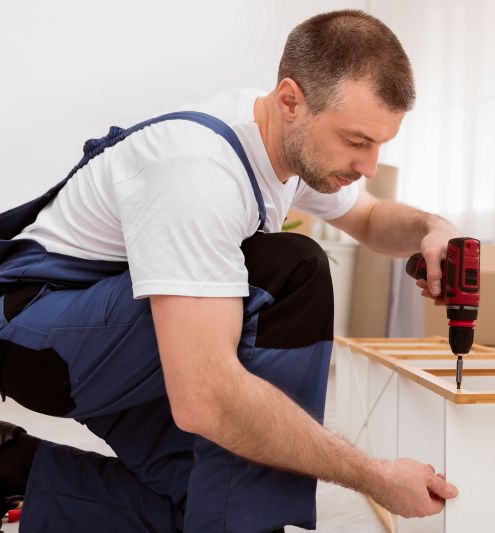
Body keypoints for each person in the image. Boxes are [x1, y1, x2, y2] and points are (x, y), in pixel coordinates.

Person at [0, 9, 460, 532]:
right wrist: (374, 476)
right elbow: (205, 399)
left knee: (213, 500)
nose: (369, 166)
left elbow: (372, 218)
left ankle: (16, 466)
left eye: (381, 144)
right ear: (291, 100)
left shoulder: (284, 141)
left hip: (111, 334)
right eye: (357, 141)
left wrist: (433, 227)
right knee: (291, 266)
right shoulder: (198, 174)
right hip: (40, 341)